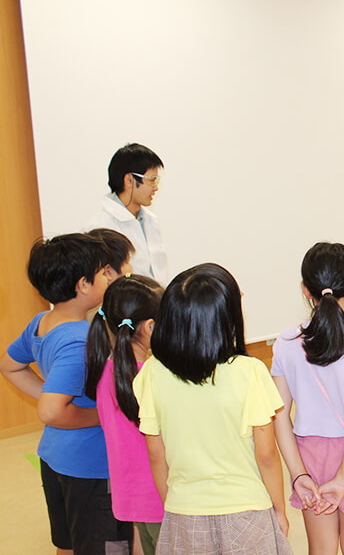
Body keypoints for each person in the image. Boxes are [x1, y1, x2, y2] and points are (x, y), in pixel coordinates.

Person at [133, 263, 290, 554]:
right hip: (248, 510)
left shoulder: (152, 372)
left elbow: (156, 453)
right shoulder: (250, 371)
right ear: (227, 319)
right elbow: (266, 455)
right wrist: (278, 510)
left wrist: (174, 503)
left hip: (184, 510)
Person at [0, 233, 133, 554]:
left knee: (69, 543)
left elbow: (10, 365)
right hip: (90, 467)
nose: (109, 277)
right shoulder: (78, 339)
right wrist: (101, 414)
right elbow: (50, 411)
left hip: (55, 457)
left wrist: (50, 394)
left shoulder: (42, 322)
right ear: (84, 285)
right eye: (104, 272)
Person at [271, 243, 344, 555]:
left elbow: (279, 418)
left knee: (319, 550)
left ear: (305, 290)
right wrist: (343, 479)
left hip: (308, 456)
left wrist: (298, 475)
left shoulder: (284, 343)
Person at [85, 275, 164, 555]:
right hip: (161, 496)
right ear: (151, 327)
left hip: (131, 496)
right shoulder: (150, 376)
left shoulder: (105, 369)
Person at [87, 143, 168, 285]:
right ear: (129, 180)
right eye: (152, 180)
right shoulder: (100, 228)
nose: (156, 188)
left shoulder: (149, 220)